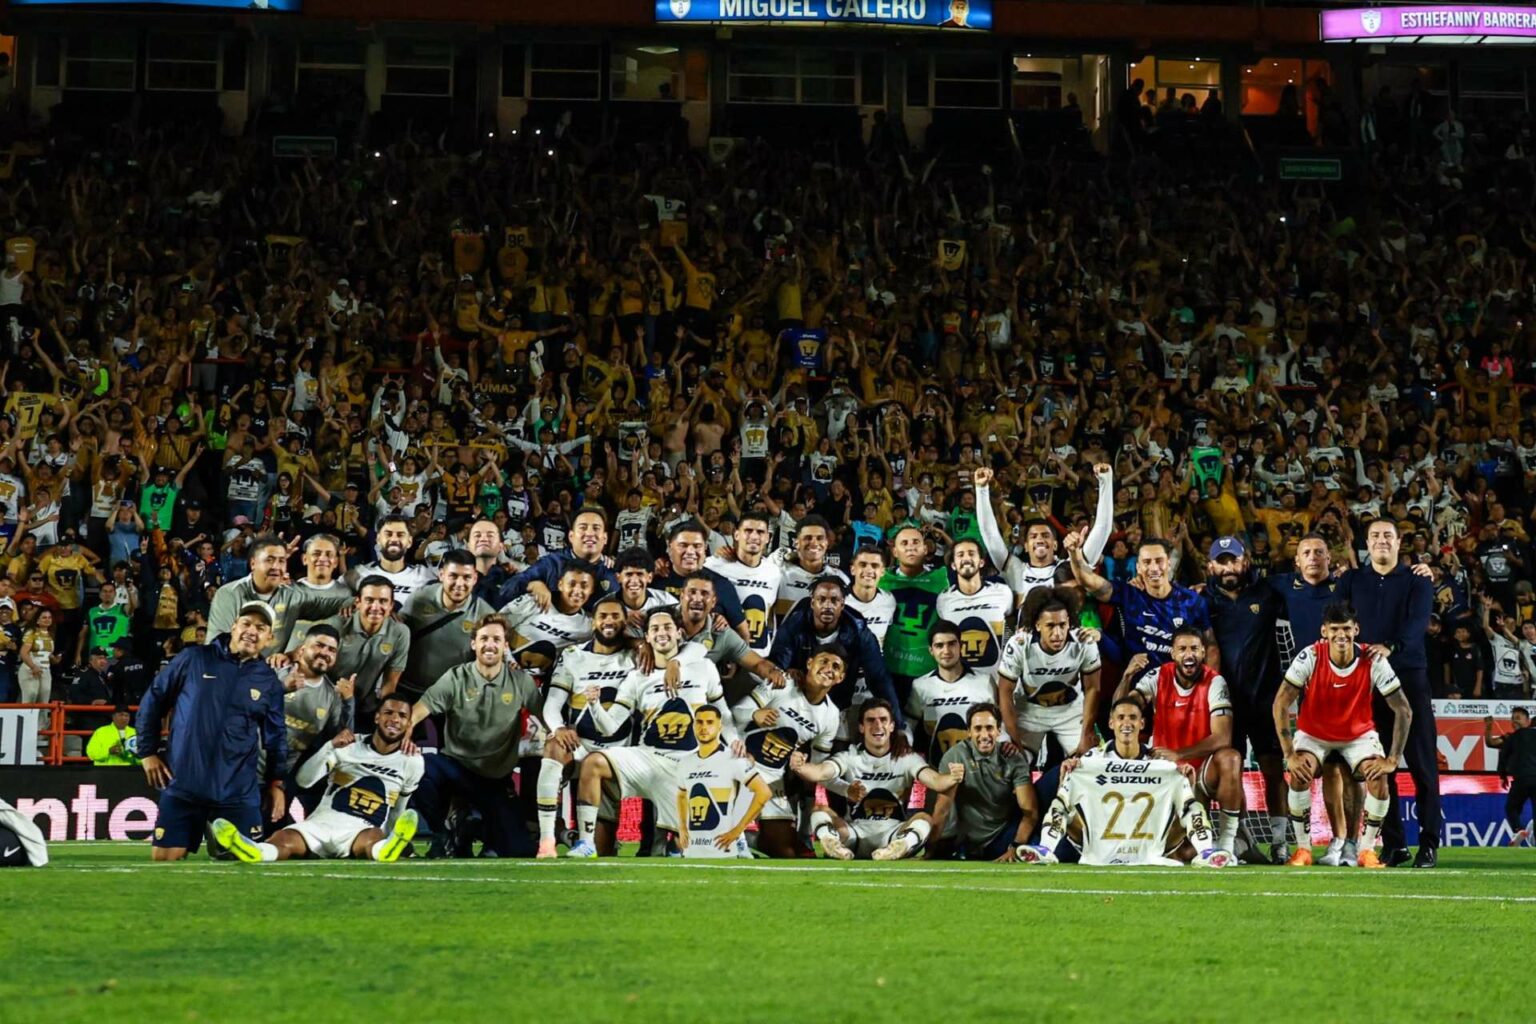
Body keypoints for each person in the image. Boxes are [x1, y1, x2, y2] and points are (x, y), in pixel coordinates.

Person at [568, 607, 735, 858]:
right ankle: (586, 843)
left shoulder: (704, 667)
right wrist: (594, 705)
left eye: (667, 627)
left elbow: (723, 714)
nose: (661, 633)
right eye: (655, 629)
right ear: (647, 637)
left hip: (690, 764)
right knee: (593, 763)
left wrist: (735, 743)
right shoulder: (637, 677)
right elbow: (609, 727)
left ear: (679, 633)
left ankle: (688, 844)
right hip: (649, 759)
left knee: (692, 849)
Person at [134, 601, 287, 861]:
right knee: (164, 860)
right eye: (247, 623)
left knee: (245, 865)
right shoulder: (193, 658)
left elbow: (277, 737)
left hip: (237, 790)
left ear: (269, 639)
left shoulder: (269, 681)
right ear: (233, 626)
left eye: (261, 628)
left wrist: (276, 783)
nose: (252, 631)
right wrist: (147, 752)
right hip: (184, 783)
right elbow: (154, 699)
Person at [1273, 602, 1414, 869]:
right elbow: (1280, 703)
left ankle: (1366, 851)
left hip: (1358, 735)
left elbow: (1403, 710)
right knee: (1299, 771)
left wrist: (1393, 759)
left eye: (1347, 629)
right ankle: (1303, 849)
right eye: (1335, 629)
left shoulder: (1373, 660)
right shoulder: (1310, 656)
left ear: (1356, 630)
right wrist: (1289, 754)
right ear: (1324, 631)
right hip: (1314, 734)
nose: (1341, 635)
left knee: (1379, 777)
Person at [1017, 697, 1229, 867]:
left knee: (1191, 804)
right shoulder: (1093, 760)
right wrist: (1068, 775)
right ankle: (1046, 848)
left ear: (1142, 723)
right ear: (1111, 723)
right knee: (1063, 798)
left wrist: (1184, 780)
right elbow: (1070, 789)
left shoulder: (1160, 764)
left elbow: (1180, 801)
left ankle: (1206, 851)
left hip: (1149, 845)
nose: (1127, 723)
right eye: (1121, 718)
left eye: (1133, 718)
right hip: (1099, 844)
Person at [1337, 518, 1438, 868]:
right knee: (1380, 767)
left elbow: (1417, 623)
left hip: (1409, 679)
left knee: (1423, 766)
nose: (1381, 540)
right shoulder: (1351, 580)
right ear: (1367, 543)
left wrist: (1390, 647)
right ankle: (1394, 844)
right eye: (1375, 535)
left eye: (1388, 535)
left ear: (1398, 541)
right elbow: (1337, 620)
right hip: (1366, 685)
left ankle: (1429, 844)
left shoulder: (1417, 579)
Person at [212, 697, 422, 863]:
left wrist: (396, 837)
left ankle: (387, 848)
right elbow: (304, 781)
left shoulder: (412, 761)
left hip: (362, 829)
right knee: (283, 839)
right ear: (377, 717)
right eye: (388, 713)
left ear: (408, 724)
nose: (395, 719)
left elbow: (399, 810)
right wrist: (329, 747)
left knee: (373, 839)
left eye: (402, 716)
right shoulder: (348, 745)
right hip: (321, 822)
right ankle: (256, 851)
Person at [409, 614, 540, 858]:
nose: (490, 644)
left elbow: (546, 716)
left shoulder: (521, 681)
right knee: (419, 766)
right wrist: (405, 736)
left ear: (505, 645)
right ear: (473, 644)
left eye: (496, 639)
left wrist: (558, 733)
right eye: (484, 638)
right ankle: (442, 832)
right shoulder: (455, 677)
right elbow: (417, 711)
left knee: (519, 849)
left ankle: (472, 826)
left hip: (495, 778)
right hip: (455, 768)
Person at [1123, 627, 1246, 857]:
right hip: (1168, 775)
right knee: (1182, 853)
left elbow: (1223, 737)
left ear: (1203, 653)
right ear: (1173, 653)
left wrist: (1179, 754)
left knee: (1231, 758)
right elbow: (1124, 710)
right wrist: (1127, 677)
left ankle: (1227, 844)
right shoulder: (1158, 676)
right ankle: (1230, 843)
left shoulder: (1215, 682)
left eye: (1194, 649)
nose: (1189, 655)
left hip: (1201, 773)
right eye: (1182, 649)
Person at [791, 698, 963, 861]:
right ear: (861, 727)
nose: (877, 725)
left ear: (892, 726)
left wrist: (952, 777)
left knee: (924, 818)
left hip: (894, 834)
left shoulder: (907, 758)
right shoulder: (850, 757)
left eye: (883, 720)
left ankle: (898, 848)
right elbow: (820, 773)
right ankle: (833, 845)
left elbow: (936, 782)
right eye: (870, 720)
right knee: (820, 810)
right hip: (854, 834)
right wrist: (799, 765)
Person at [536, 593, 638, 857]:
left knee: (602, 852)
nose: (608, 621)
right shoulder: (573, 656)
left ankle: (576, 837)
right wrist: (559, 728)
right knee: (554, 745)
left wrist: (643, 645)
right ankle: (547, 841)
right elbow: (552, 704)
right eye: (603, 616)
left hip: (616, 755)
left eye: (615, 616)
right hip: (579, 747)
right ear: (593, 621)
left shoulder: (637, 657)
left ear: (625, 622)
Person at [732, 644, 843, 857]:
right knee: (743, 767)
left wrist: (801, 764)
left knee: (786, 852)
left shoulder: (831, 715)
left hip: (773, 776)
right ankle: (732, 839)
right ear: (809, 663)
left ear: (841, 678)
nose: (829, 668)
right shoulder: (782, 682)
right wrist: (754, 715)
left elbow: (816, 771)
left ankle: (738, 838)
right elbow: (736, 712)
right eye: (823, 661)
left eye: (836, 666)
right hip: (740, 759)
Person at [1066, 529, 1215, 678]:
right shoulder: (1128, 594)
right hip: (1139, 685)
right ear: (1138, 567)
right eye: (1147, 562)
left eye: (1159, 561)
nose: (1154, 568)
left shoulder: (1191, 600)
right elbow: (1088, 581)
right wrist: (1074, 552)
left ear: (1169, 564)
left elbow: (1210, 645)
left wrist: (1210, 683)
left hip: (1180, 685)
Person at [768, 575, 902, 732]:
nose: (827, 605)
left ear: (842, 605)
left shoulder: (858, 631)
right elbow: (777, 663)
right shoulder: (795, 623)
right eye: (822, 599)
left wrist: (898, 726)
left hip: (836, 705)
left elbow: (879, 677)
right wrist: (785, 672)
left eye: (834, 600)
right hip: (795, 697)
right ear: (812, 603)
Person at [996, 588, 1102, 766]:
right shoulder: (1019, 644)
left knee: (1092, 763)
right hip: (1029, 712)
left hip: (1070, 712)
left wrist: (1087, 733)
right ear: (1038, 625)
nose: (1058, 633)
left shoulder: (1084, 642)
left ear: (1069, 622)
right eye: (1050, 626)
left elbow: (1093, 688)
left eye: (1062, 625)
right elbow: (1005, 692)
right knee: (1012, 764)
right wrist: (1015, 741)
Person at [283, 576, 410, 720]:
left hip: (364, 707)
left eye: (383, 601)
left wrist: (383, 716)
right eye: (369, 600)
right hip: (326, 701)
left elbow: (390, 682)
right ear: (358, 602)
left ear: (391, 605)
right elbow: (306, 652)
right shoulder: (338, 624)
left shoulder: (400, 633)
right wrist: (286, 656)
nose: (375, 607)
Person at [927, 702, 1038, 861]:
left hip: (1009, 832)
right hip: (979, 842)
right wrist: (930, 850)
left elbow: (1030, 811)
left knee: (1055, 776)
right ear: (969, 732)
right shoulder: (955, 757)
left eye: (989, 728)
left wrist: (1015, 846)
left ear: (999, 731)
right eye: (978, 728)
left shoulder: (1012, 757)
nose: (984, 735)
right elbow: (942, 809)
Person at [207, 535, 352, 655]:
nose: (276, 566)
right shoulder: (229, 594)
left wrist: (351, 602)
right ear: (253, 563)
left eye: (281, 561)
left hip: (269, 674)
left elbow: (326, 604)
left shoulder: (292, 595)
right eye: (269, 560)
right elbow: (216, 646)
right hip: (232, 670)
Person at [676, 705, 773, 859]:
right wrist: (682, 828)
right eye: (699, 722)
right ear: (693, 726)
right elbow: (681, 795)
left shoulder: (734, 759)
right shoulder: (685, 762)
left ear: (720, 727)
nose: (704, 727)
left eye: (710, 722)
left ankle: (742, 844)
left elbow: (764, 792)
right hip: (692, 852)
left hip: (723, 851)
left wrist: (737, 831)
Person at [906, 620, 997, 763]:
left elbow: (999, 724)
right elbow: (908, 724)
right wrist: (905, 741)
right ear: (931, 650)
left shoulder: (984, 682)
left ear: (961, 646)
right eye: (939, 645)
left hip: (981, 767)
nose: (946, 651)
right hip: (937, 769)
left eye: (951, 644)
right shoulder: (921, 686)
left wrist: (1006, 743)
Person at [704, 511, 783, 652]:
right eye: (748, 531)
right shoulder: (713, 565)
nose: (754, 536)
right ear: (736, 534)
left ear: (768, 537)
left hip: (760, 654)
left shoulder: (774, 572)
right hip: (723, 653)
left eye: (760, 532)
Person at [935, 537, 1013, 678]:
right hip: (962, 681)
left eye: (971, 553)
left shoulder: (1003, 592)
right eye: (960, 555)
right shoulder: (943, 599)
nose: (966, 558)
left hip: (997, 678)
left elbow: (1012, 625)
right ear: (953, 565)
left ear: (981, 562)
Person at [347, 515, 436, 601]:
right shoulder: (358, 574)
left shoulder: (424, 575)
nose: (394, 539)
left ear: (409, 541)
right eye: (388, 534)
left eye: (400, 535)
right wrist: (349, 603)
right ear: (378, 539)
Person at [1485, 708, 1536, 846]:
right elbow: (1492, 744)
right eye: (1513, 718)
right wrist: (1489, 727)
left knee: (1511, 808)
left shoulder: (1510, 738)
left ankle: (1518, 830)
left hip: (1522, 779)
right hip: (1529, 778)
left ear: (1528, 721)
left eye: (1518, 718)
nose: (1514, 721)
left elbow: (1501, 755)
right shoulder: (1511, 737)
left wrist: (1502, 775)